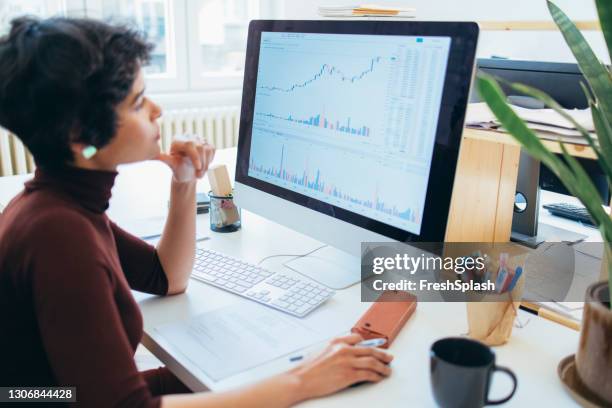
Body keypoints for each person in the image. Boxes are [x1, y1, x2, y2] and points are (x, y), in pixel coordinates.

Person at [0, 16, 393, 407]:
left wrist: (185, 181)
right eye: (138, 102)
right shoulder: (59, 235)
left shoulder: (61, 204)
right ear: (79, 135)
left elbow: (166, 277)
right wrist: (300, 382)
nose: (157, 110)